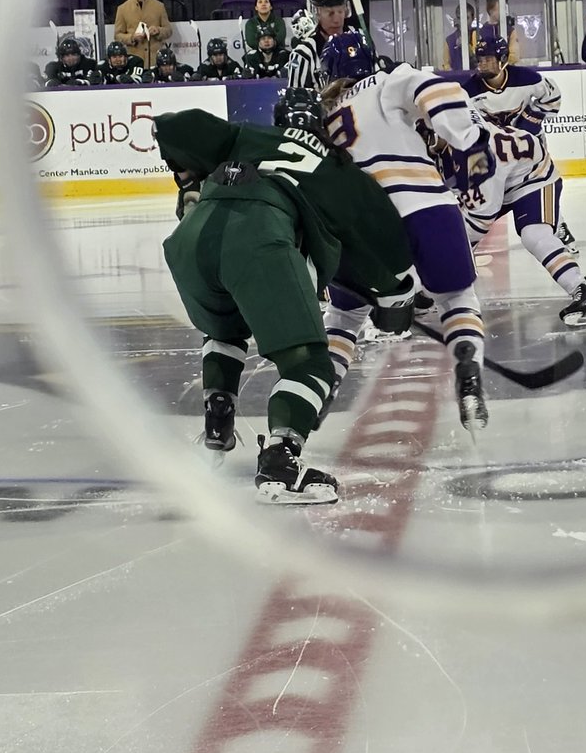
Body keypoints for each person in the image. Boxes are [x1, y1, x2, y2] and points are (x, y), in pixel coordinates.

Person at [155, 91, 418, 503]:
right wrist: (396, 299)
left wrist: (185, 175)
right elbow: (381, 247)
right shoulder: (340, 169)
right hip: (261, 238)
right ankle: (280, 463)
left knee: (225, 327)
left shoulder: (247, 135)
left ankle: (217, 415)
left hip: (190, 239)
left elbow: (173, 126)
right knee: (310, 365)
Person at [318, 31, 493, 432]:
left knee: (344, 318)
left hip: (362, 225)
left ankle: (318, 389)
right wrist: (467, 134)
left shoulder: (322, 117)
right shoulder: (387, 80)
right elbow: (435, 88)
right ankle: (467, 368)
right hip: (426, 206)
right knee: (456, 298)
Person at [440, 119, 586, 327]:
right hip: (503, 172)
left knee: (535, 235)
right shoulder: (450, 118)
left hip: (533, 175)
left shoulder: (475, 156)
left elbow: (479, 221)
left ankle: (582, 293)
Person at [460, 34, 580, 255]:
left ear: (503, 59)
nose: (482, 63)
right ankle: (466, 241)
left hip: (530, 150)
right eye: (480, 59)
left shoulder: (528, 78)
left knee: (539, 184)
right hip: (498, 154)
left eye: (488, 58)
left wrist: (531, 120)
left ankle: (558, 225)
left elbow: (552, 98)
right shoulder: (468, 91)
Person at [287, 0, 373, 89]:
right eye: (330, 13)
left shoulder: (362, 40)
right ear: (317, 12)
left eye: (340, 12)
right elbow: (296, 98)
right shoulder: (303, 53)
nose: (336, 20)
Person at [113, 0, 172, 68]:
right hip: (134, 61)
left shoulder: (159, 6)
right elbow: (117, 35)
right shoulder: (122, 8)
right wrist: (132, 37)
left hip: (155, 60)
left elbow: (169, 30)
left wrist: (158, 30)